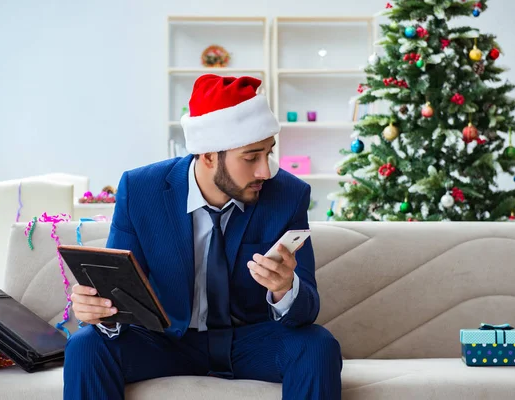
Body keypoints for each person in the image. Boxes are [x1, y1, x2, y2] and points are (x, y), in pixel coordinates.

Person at [64, 74, 342, 400]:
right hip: (164, 339)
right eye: (251, 157)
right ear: (208, 156)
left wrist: (284, 289)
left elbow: (307, 310)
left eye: (268, 153)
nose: (265, 170)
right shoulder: (141, 190)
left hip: (249, 340)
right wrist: (98, 309)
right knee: (86, 344)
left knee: (318, 345)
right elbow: (118, 291)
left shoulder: (288, 194)